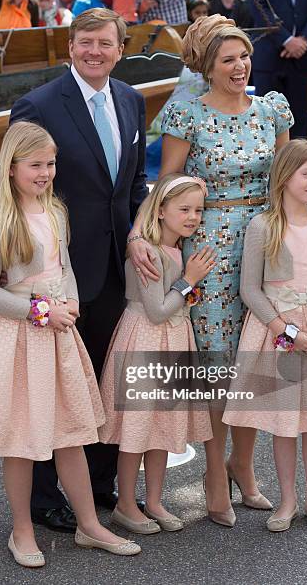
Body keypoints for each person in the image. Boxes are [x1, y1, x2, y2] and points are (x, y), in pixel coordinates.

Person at [0, 121, 141, 566]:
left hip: (57, 333)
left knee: (70, 433)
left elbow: (65, 265)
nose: (46, 172)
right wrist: (40, 311)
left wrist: (70, 301)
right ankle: (21, 531)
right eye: (36, 164)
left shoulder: (54, 211)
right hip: (18, 338)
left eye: (51, 164)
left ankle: (90, 525)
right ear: (12, 167)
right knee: (22, 438)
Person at [128, 15, 288, 526]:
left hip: (265, 244)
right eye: (228, 59)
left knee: (257, 356)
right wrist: (140, 234)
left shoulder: (273, 109)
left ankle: (244, 462)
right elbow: (168, 184)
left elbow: (286, 183)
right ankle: (215, 471)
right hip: (210, 250)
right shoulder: (186, 114)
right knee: (219, 364)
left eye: (244, 56)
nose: (240, 66)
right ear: (206, 66)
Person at [10, 8, 148, 531]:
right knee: (55, 387)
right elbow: (11, 182)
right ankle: (46, 498)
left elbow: (131, 187)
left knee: (106, 378)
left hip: (119, 269)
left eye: (105, 44)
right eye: (86, 42)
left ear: (119, 49)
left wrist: (140, 235)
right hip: (60, 272)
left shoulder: (132, 101)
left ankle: (97, 483)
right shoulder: (39, 105)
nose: (95, 51)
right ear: (71, 46)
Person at [223, 139, 307, 532]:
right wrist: (284, 330)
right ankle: (286, 500)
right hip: (279, 334)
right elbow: (250, 289)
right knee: (284, 423)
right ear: (285, 177)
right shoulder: (263, 226)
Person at [99, 173, 214, 534]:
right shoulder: (147, 251)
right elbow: (157, 310)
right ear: (161, 210)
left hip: (174, 341)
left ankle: (155, 501)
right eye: (184, 209)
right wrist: (189, 281)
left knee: (163, 425)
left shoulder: (178, 249)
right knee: (137, 426)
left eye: (198, 210)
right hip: (147, 341)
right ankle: (125, 504)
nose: (193, 217)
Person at [244, 0, 307, 138]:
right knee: (266, 125)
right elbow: (258, 6)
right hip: (269, 56)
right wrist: (286, 39)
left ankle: (297, 163)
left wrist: (303, 40)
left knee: (299, 123)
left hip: (302, 57)